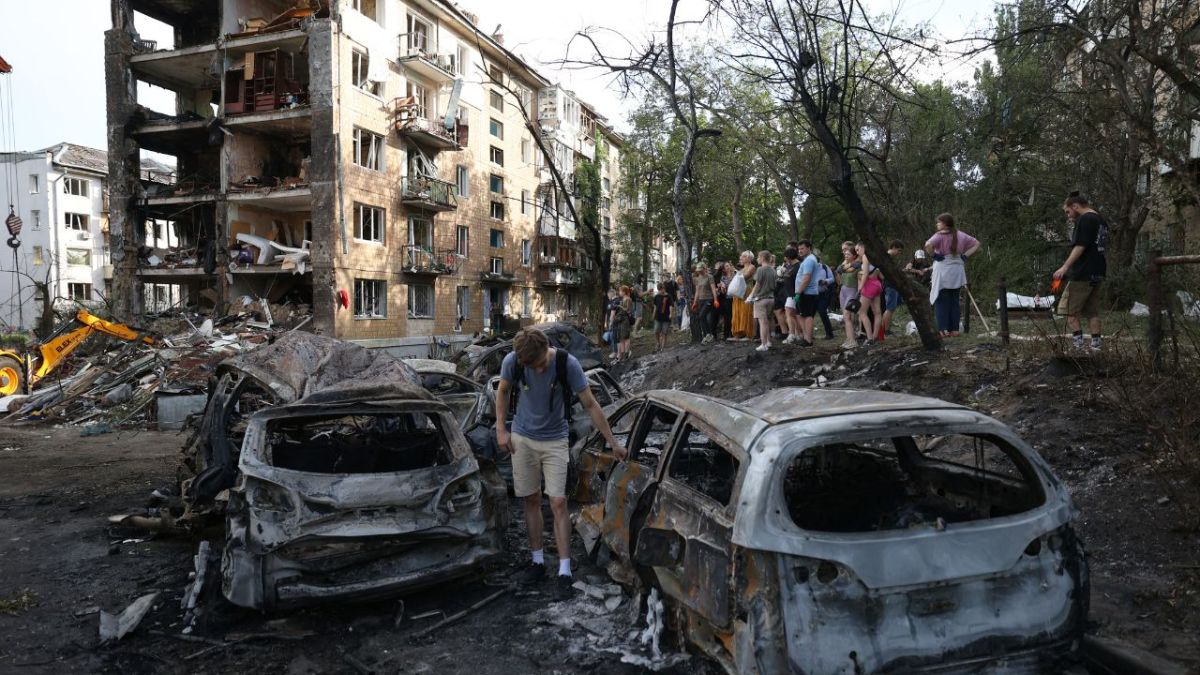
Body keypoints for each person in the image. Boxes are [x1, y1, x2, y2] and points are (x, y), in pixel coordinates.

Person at [496, 329, 627, 599]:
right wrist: (501, 430)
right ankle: (537, 562)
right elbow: (503, 391)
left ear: (548, 349)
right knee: (530, 500)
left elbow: (590, 404)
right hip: (522, 439)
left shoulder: (568, 364)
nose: (541, 370)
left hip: (555, 440)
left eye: (543, 363)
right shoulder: (512, 362)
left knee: (557, 503)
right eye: (535, 367)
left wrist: (613, 443)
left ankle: (565, 571)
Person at [1053, 192, 1108, 350]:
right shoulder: (1101, 220)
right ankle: (1096, 346)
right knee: (1092, 312)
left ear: (1075, 206)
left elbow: (1080, 246)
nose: (1068, 216)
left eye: (1068, 211)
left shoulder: (1085, 219)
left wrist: (1065, 267)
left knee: (1068, 311)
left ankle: (1078, 346)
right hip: (1098, 271)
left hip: (1083, 273)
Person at [925, 213, 981, 337]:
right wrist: (965, 255)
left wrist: (934, 255)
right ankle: (954, 329)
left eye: (939, 222)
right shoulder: (961, 234)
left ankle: (942, 329)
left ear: (945, 224)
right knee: (954, 301)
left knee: (941, 301)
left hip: (944, 270)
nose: (937, 224)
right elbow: (977, 243)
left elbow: (928, 245)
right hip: (957, 270)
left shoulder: (940, 235)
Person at [788, 241, 821, 347]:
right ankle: (806, 338)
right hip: (806, 292)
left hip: (807, 293)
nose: (800, 251)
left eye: (802, 248)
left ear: (809, 248)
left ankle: (808, 340)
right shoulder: (808, 260)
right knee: (801, 315)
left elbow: (806, 278)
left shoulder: (809, 260)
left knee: (807, 316)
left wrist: (798, 292)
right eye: (799, 249)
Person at [747, 250, 777, 352]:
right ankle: (768, 342)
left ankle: (763, 344)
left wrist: (750, 296)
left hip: (761, 299)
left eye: (758, 257)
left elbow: (757, 285)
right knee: (768, 320)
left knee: (763, 322)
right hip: (771, 299)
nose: (757, 259)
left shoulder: (760, 269)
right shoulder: (773, 270)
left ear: (763, 258)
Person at [856, 242, 884, 345]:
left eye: (858, 249)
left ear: (863, 247)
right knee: (877, 312)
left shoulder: (865, 256)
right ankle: (876, 336)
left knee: (862, 312)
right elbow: (880, 274)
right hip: (877, 284)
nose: (857, 252)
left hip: (869, 286)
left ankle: (870, 338)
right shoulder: (875, 256)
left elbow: (866, 274)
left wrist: (860, 287)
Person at [878, 239, 905, 341]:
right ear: (893, 247)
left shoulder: (889, 257)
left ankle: (886, 328)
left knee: (891, 308)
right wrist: (886, 279)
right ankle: (885, 329)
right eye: (899, 250)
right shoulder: (887, 257)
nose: (899, 253)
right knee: (890, 308)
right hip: (890, 286)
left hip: (892, 285)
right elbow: (879, 270)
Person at [836, 242, 861, 349]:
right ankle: (849, 338)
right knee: (846, 317)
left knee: (848, 316)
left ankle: (853, 341)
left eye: (848, 254)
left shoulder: (857, 265)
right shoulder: (844, 265)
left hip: (852, 291)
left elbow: (860, 281)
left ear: (854, 255)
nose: (846, 256)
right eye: (845, 254)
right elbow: (838, 271)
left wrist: (857, 295)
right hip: (843, 291)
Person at [775, 249, 800, 342]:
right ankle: (794, 334)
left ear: (789, 257)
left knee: (792, 314)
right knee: (790, 313)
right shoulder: (790, 266)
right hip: (789, 294)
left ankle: (794, 334)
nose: (784, 259)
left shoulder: (798, 266)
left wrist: (798, 294)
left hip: (795, 294)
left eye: (785, 257)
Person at [693, 264, 719, 344]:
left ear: (704, 269)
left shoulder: (709, 277)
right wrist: (695, 302)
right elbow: (697, 291)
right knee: (701, 318)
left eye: (701, 270)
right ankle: (706, 336)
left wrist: (715, 300)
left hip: (709, 299)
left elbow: (713, 289)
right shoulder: (697, 279)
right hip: (701, 299)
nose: (699, 271)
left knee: (702, 315)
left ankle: (709, 334)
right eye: (698, 270)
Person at [814, 251, 836, 340]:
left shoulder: (824, 267)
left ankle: (829, 333)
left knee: (823, 312)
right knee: (809, 315)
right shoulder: (807, 268)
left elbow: (832, 279)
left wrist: (825, 281)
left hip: (823, 294)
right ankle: (808, 334)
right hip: (811, 295)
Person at [652, 282, 672, 352]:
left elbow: (670, 306)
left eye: (662, 289)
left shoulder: (668, 296)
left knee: (664, 332)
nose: (661, 291)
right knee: (656, 331)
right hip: (658, 317)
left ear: (664, 289)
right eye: (660, 290)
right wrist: (653, 314)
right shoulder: (656, 296)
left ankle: (663, 347)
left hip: (666, 317)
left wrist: (671, 314)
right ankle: (658, 343)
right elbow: (655, 306)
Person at [618, 285, 634, 360]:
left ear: (624, 292)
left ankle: (626, 353)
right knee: (621, 338)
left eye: (620, 291)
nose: (619, 293)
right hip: (621, 320)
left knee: (626, 337)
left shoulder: (628, 299)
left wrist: (620, 307)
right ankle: (622, 353)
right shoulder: (623, 299)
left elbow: (629, 310)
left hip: (625, 320)